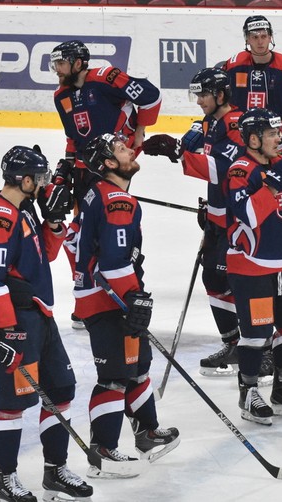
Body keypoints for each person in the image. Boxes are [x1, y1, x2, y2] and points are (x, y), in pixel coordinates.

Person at [0, 145, 92, 501]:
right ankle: (4, 476)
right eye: (38, 179)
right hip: (13, 322)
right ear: (23, 180)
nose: (43, 186)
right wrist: (6, 332)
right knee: (12, 403)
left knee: (61, 390)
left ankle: (55, 471)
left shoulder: (22, 209)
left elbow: (46, 254)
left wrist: (53, 224)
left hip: (40, 315)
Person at [72, 133, 181, 476]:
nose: (131, 150)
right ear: (108, 164)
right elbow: (115, 261)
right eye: (121, 150)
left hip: (107, 294)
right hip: (108, 299)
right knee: (115, 376)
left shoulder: (98, 193)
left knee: (138, 365)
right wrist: (132, 298)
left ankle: (147, 433)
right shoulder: (118, 200)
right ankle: (102, 452)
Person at [144, 68, 247, 377]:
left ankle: (259, 347)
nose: (199, 100)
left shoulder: (237, 125)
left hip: (239, 220)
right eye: (197, 95)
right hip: (219, 217)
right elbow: (193, 146)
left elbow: (226, 170)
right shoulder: (210, 123)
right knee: (214, 281)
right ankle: (234, 344)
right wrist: (178, 146)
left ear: (220, 95)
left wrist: (178, 152)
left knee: (240, 283)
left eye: (203, 94)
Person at [226, 108, 282, 424]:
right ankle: (249, 392)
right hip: (252, 266)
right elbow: (248, 216)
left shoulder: (281, 164)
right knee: (256, 334)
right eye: (270, 134)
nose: (278, 138)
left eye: (279, 132)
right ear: (253, 139)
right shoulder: (241, 170)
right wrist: (276, 184)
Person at [50, 39, 162, 204]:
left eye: (61, 63)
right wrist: (68, 166)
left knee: (108, 217)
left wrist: (139, 131)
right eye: (55, 64)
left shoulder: (107, 78)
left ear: (78, 63)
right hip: (83, 167)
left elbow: (151, 97)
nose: (56, 69)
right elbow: (72, 135)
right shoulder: (60, 95)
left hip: (112, 164)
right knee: (82, 220)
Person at [221, 16, 282, 155]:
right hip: (245, 142)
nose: (260, 42)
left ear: (270, 37)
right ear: (247, 39)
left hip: (280, 142)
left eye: (264, 36)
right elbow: (222, 102)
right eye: (254, 37)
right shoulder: (233, 66)